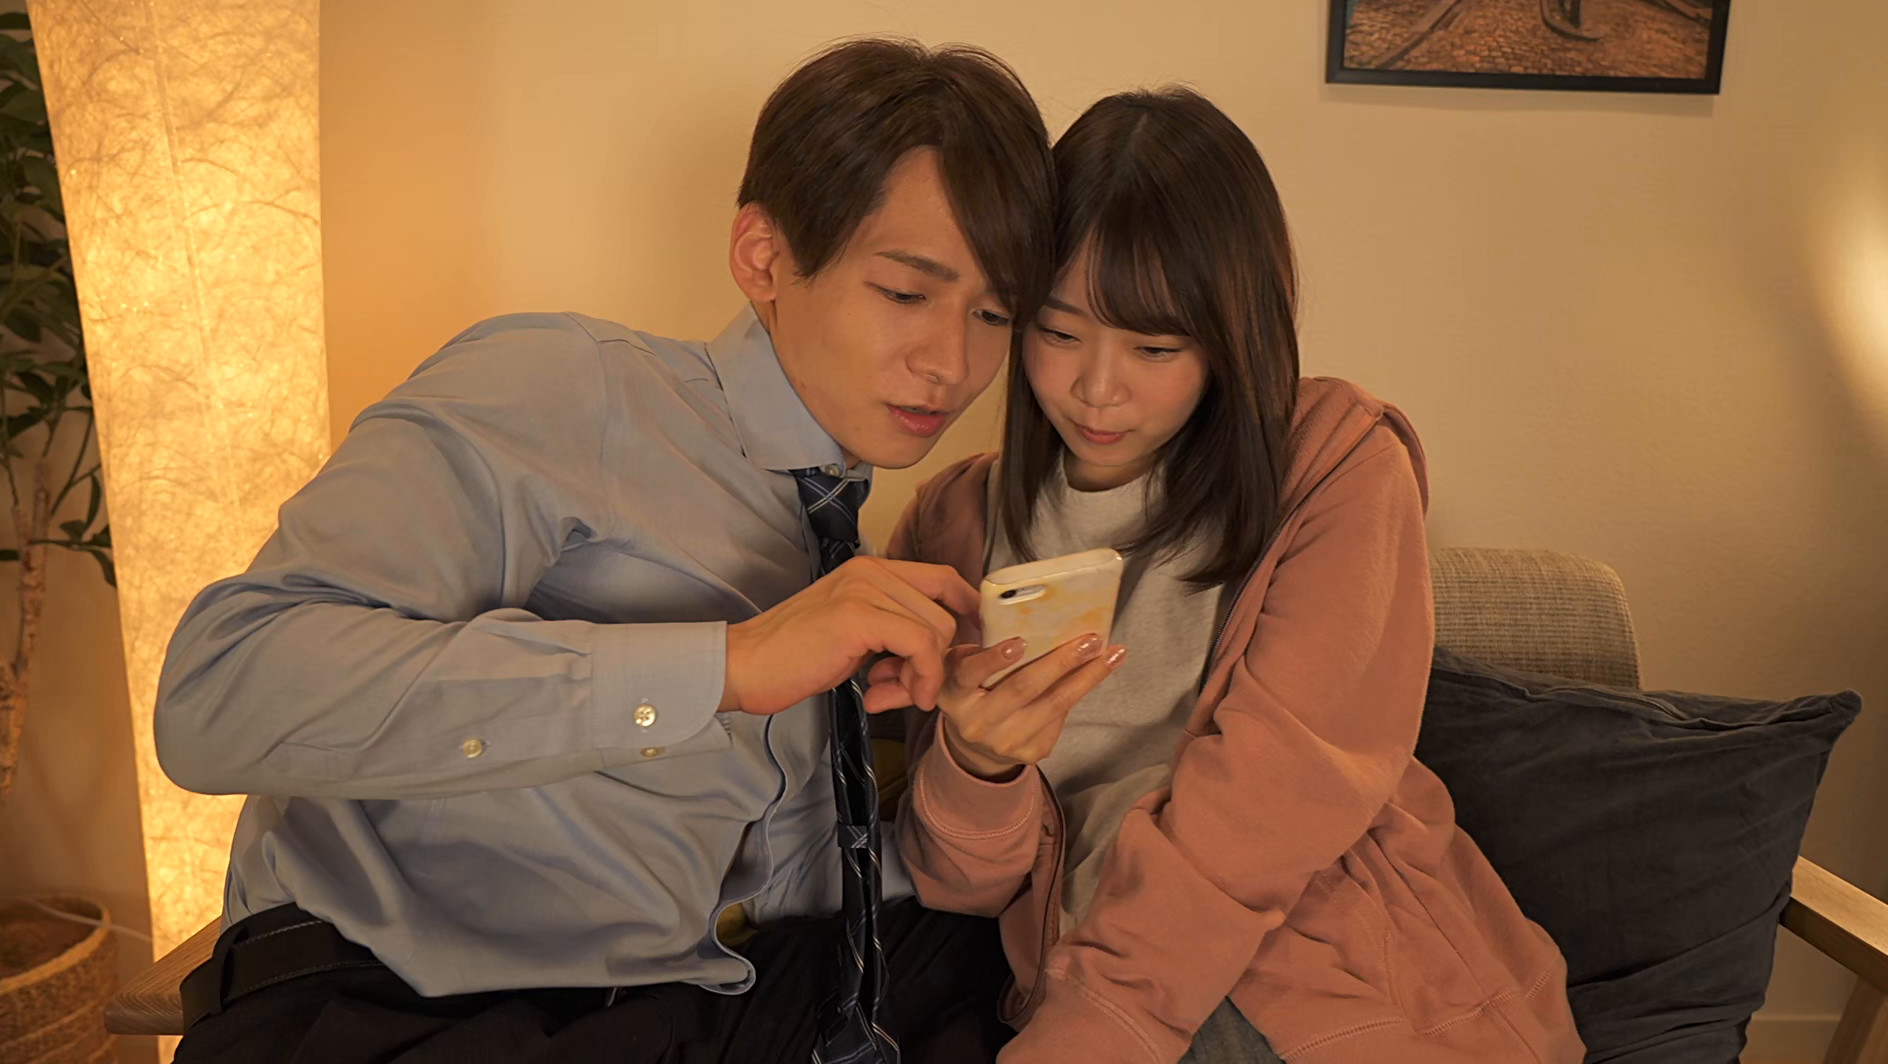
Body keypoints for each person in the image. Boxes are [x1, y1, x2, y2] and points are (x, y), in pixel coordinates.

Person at [154, 37, 1077, 1064]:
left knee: (1000, 968)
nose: (952, 361)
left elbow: (831, 891)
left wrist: (983, 762)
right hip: (400, 1004)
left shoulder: (850, 553)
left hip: (688, 1004)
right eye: (905, 293)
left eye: (994, 313)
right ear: (763, 257)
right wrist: (724, 667)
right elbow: (216, 693)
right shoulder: (566, 384)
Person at [887, 87, 1587, 1064]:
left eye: (1154, 346)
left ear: (1232, 334)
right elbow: (957, 884)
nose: (1096, 388)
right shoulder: (953, 521)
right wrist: (977, 762)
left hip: (1308, 969)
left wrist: (1097, 1027)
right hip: (1072, 970)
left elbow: (1274, 796)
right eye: (1057, 331)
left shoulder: (1335, 461)